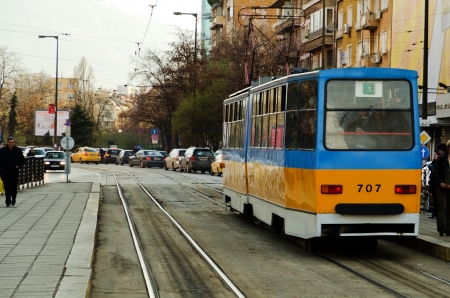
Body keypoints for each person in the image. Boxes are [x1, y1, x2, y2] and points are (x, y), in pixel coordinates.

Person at [0, 136, 25, 207]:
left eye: (12, 142)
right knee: (7, 187)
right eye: (10, 142)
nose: (11, 144)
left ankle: (13, 198)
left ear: (14, 143)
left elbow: (22, 160)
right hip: (5, 172)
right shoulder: (3, 151)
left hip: (14, 172)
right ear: (7, 142)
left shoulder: (18, 150)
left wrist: (18, 165)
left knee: (14, 187)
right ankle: (8, 201)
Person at [434, 141, 450, 236]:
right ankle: (441, 227)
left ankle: (449, 229)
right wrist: (440, 183)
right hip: (441, 187)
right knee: (442, 207)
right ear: (448, 149)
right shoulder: (441, 159)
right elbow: (436, 172)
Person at [427, 149, 440, 219]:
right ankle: (434, 213)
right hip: (433, 185)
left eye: (435, 154)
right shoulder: (433, 163)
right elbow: (431, 176)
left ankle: (436, 213)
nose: (434, 156)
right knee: (435, 200)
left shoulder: (438, 164)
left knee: (438, 200)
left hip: (437, 184)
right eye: (433, 154)